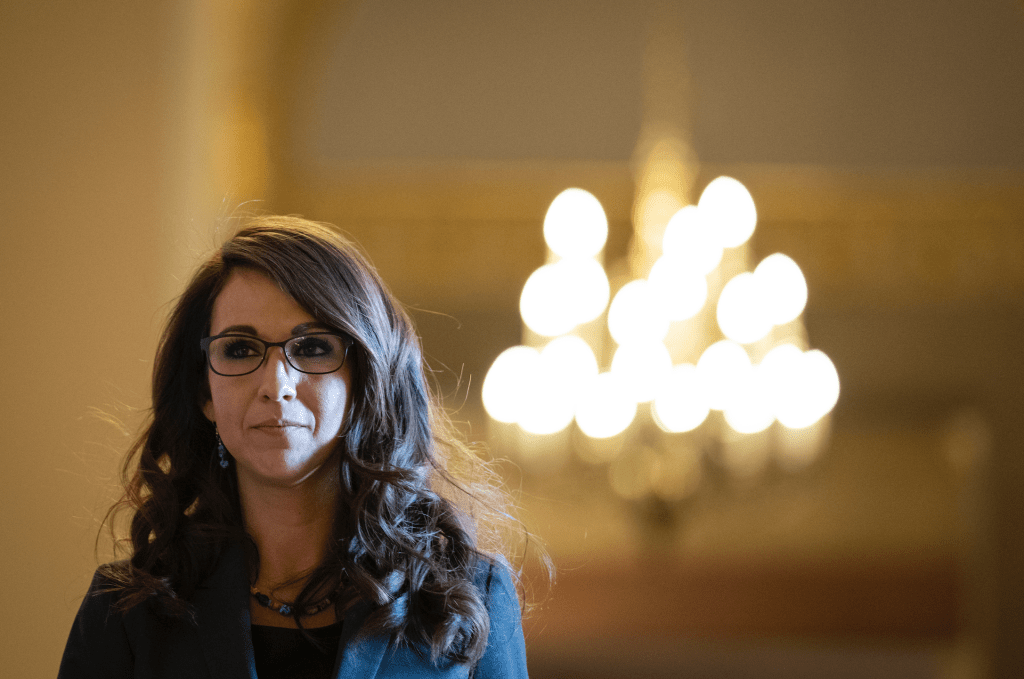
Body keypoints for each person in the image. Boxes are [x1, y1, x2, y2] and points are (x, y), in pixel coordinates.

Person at [58, 215, 531, 678]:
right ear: (205, 392)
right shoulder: (126, 612)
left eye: (312, 348)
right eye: (240, 349)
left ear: (362, 380)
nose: (276, 384)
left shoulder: (468, 599)